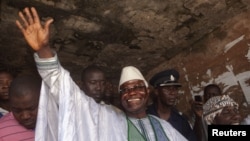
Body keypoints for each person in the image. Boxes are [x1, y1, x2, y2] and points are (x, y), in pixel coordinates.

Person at [16, 7, 188, 141]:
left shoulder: (164, 127)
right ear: (120, 96)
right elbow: (68, 93)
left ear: (148, 92)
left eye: (137, 87)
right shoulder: (105, 118)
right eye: (125, 90)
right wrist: (43, 49)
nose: (132, 93)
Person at [146, 69, 197, 141]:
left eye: (175, 89)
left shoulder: (181, 121)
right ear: (157, 91)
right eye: (167, 89)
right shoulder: (146, 117)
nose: (172, 93)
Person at [0, 75, 41, 141]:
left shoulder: (60, 120)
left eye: (31, 109)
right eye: (17, 111)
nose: (25, 116)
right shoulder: (2, 132)